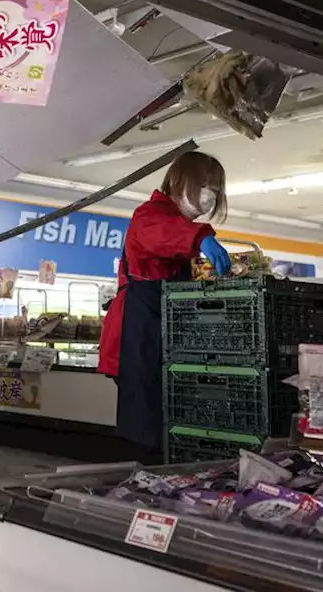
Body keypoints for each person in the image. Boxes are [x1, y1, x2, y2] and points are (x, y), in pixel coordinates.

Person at [97, 151, 232, 458]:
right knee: (145, 422)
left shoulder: (182, 228)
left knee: (166, 418)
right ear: (177, 180)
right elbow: (161, 236)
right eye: (205, 183)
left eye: (215, 187)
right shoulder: (150, 215)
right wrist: (201, 239)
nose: (210, 193)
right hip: (139, 333)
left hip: (163, 336)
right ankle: (143, 485)